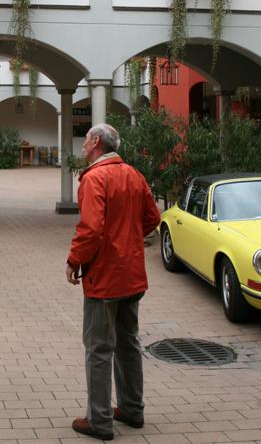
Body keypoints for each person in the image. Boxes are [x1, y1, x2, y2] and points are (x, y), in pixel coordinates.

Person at [65, 123, 162, 440]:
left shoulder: (95, 178)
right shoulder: (133, 174)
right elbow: (152, 218)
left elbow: (91, 229)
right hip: (132, 274)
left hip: (105, 277)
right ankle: (132, 409)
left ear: (95, 142)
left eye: (84, 141)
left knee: (98, 349)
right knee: (129, 343)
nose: (82, 147)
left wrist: (74, 260)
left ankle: (100, 421)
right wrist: (129, 241)